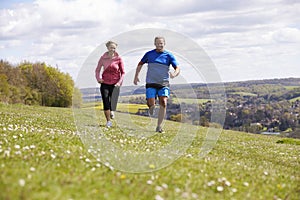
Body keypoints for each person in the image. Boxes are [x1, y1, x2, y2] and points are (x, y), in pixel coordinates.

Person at [133, 36, 180, 133]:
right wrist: (136, 76)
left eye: (161, 43)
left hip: (163, 83)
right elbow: (140, 64)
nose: (160, 45)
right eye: (158, 43)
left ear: (164, 44)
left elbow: (177, 68)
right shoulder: (149, 54)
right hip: (151, 82)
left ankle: (159, 126)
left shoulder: (169, 56)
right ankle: (151, 107)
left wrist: (174, 74)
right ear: (155, 44)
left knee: (163, 102)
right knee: (151, 103)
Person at [95, 41, 125, 128]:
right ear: (107, 48)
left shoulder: (118, 58)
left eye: (114, 48)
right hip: (105, 83)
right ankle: (108, 121)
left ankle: (112, 110)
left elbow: (123, 72)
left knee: (113, 101)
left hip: (115, 84)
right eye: (111, 48)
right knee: (106, 102)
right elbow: (97, 70)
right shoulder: (103, 58)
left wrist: (119, 83)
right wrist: (98, 79)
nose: (113, 49)